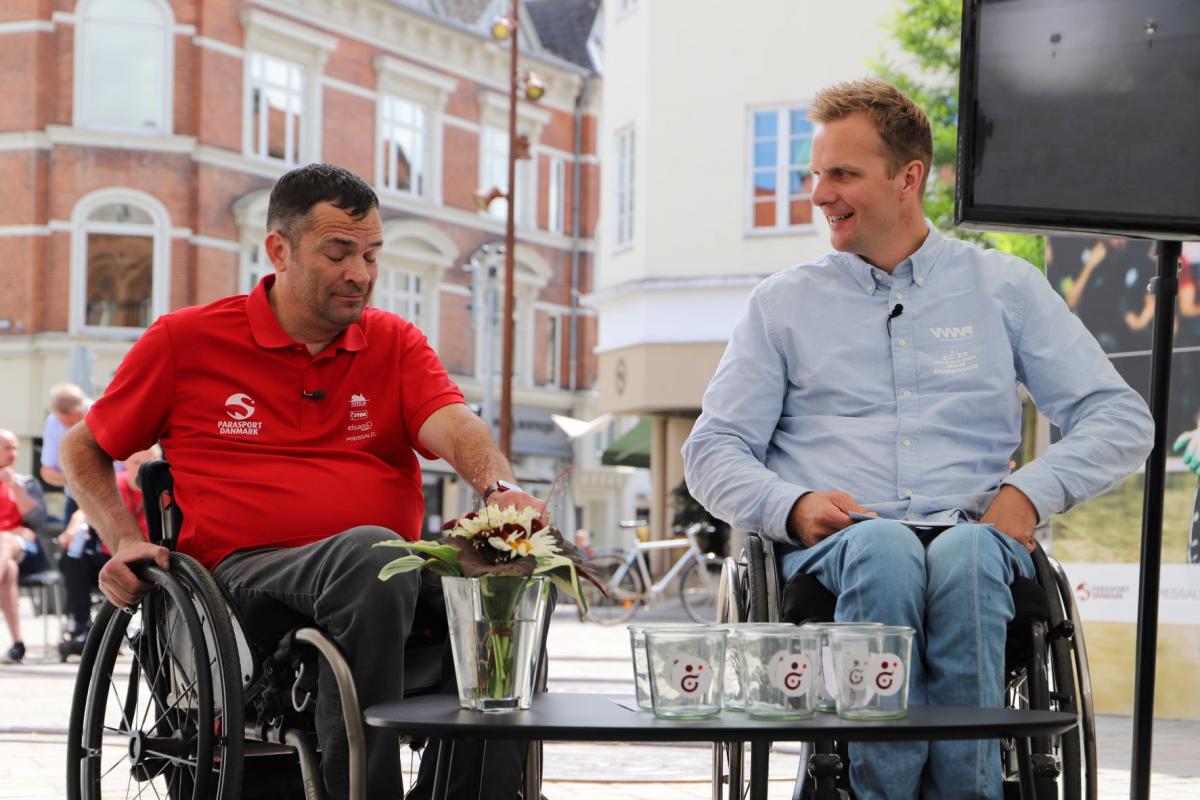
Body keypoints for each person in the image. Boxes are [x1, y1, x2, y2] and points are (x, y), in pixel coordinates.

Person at [682, 79, 1155, 799]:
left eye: (842, 174)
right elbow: (711, 452)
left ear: (909, 178)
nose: (819, 194)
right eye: (816, 173)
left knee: (965, 552)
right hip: (838, 548)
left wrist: (1029, 492)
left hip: (975, 537)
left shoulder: (1003, 288)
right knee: (885, 545)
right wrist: (794, 504)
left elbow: (1121, 419)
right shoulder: (782, 305)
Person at [60, 163, 542, 800]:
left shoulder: (393, 343)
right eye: (339, 253)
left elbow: (453, 424)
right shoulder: (188, 340)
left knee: (507, 572)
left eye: (371, 254)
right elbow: (83, 447)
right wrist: (123, 540)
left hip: (383, 577)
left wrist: (499, 491)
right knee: (371, 554)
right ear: (279, 251)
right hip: (244, 582)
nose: (361, 274)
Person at [56, 446, 158, 658]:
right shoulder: (117, 483)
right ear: (126, 466)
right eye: (136, 464)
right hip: (111, 556)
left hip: (151, 560)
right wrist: (73, 528)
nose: (141, 470)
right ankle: (80, 626)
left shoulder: (162, 489)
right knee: (73, 558)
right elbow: (85, 509)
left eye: (147, 464)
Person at [0, 429, 50, 663]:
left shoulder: (26, 483)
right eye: (7, 448)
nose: (13, 453)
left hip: (22, 546)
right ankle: (18, 643)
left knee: (5, 541)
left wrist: (14, 486)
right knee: (8, 570)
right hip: (7, 554)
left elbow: (38, 519)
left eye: (15, 448)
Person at [40, 383, 88, 523]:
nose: (60, 422)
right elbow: (47, 471)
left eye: (63, 418)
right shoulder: (53, 422)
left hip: (114, 496)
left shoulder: (101, 414)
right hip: (76, 498)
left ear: (75, 412)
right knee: (70, 543)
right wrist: (78, 480)